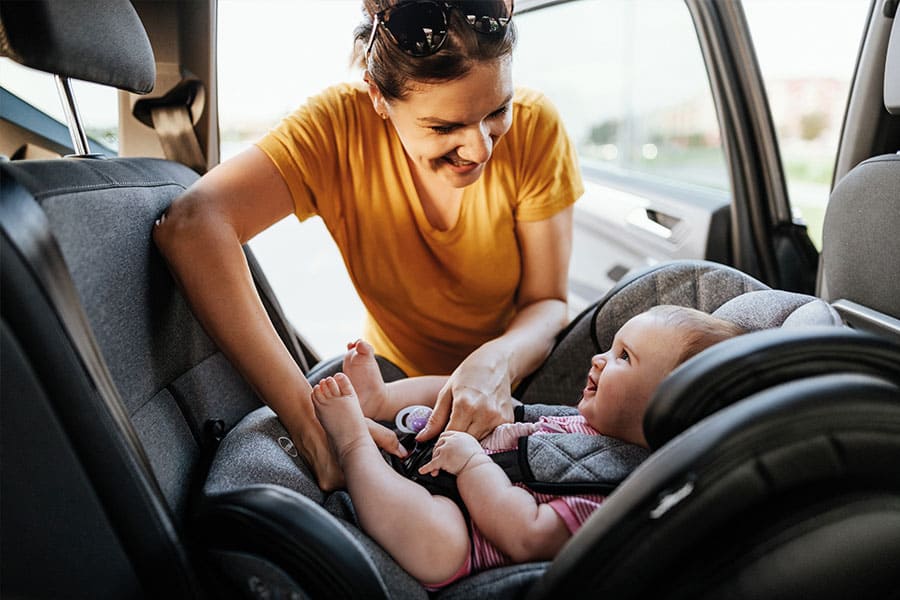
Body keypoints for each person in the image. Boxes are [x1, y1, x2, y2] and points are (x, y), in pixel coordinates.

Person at [153, 0, 583, 490]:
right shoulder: (338, 128)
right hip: (395, 384)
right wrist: (309, 425)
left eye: (497, 112)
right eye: (444, 127)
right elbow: (191, 225)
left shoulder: (537, 127)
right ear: (379, 97)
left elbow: (546, 302)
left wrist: (496, 361)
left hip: (517, 377)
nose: (481, 148)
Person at [310, 305, 746, 588]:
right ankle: (382, 400)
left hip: (470, 538)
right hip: (450, 458)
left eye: (623, 358)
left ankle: (351, 445)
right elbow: (516, 423)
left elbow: (527, 534)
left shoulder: (618, 492)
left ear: (665, 409)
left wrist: (473, 466)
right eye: (611, 349)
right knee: (488, 396)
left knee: (439, 546)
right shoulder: (584, 424)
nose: (598, 360)